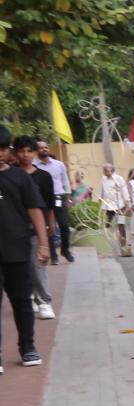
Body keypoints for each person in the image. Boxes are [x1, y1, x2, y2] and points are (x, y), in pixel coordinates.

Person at [0, 127, 49, 370]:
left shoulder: (20, 178)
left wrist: (44, 244)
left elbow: (35, 210)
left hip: (17, 251)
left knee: (22, 302)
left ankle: (28, 347)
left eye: (1, 148)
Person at [36, 141, 73, 262]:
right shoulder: (34, 165)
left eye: (46, 147)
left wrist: (68, 197)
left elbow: (65, 181)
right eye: (41, 148)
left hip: (59, 197)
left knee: (64, 225)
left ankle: (65, 249)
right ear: (37, 150)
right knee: (49, 227)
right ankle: (53, 255)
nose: (44, 149)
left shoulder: (59, 164)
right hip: (43, 199)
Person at [100, 164, 130, 255]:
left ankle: (123, 245)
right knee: (106, 225)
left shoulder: (119, 179)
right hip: (108, 206)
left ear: (112, 170)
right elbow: (102, 191)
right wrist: (100, 201)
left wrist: (126, 201)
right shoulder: (103, 179)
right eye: (104, 171)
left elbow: (124, 190)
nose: (105, 172)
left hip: (119, 206)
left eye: (106, 171)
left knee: (121, 225)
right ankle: (107, 245)